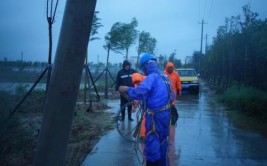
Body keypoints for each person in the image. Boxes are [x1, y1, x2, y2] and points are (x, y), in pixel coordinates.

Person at [119, 53, 174, 166]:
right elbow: (172, 96)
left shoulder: (152, 77)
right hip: (166, 116)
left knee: (152, 143)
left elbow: (140, 92)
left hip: (156, 117)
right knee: (163, 142)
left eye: (143, 69)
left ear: (146, 66)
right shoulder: (165, 77)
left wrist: (126, 89)